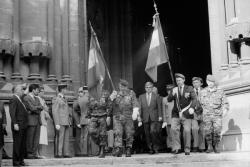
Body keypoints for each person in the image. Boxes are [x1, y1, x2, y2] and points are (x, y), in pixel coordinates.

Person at [168, 73, 197, 155]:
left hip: (186, 113)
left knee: (187, 130)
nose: (178, 82)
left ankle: (187, 149)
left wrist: (192, 107)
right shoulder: (174, 89)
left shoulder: (189, 88)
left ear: (184, 80)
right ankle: (177, 148)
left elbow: (195, 99)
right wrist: (172, 94)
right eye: (177, 81)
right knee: (173, 129)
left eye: (180, 80)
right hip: (176, 113)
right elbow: (169, 99)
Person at [199, 74, 229, 153]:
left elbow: (225, 103)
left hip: (217, 115)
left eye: (212, 81)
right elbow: (199, 104)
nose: (210, 83)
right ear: (206, 81)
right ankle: (209, 146)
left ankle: (216, 145)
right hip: (207, 115)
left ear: (214, 82)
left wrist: (225, 110)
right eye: (209, 81)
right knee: (208, 131)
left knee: (217, 130)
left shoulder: (220, 91)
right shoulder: (202, 92)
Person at [110, 79, 140, 157]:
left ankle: (128, 148)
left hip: (128, 117)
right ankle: (118, 149)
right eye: (120, 86)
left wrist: (135, 111)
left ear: (126, 86)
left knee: (129, 133)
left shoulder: (131, 93)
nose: (122, 88)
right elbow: (110, 106)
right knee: (118, 133)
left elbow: (135, 103)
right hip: (118, 117)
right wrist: (111, 99)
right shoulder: (116, 94)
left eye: (123, 86)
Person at [138, 82, 162, 154]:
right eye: (147, 87)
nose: (148, 89)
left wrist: (160, 116)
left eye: (150, 87)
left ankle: (155, 147)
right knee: (147, 134)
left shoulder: (156, 96)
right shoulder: (141, 96)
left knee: (153, 131)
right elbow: (139, 108)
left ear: (152, 88)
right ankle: (150, 148)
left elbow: (159, 107)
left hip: (154, 117)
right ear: (145, 88)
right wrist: (139, 116)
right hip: (145, 117)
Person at [87, 90, 112, 158]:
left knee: (102, 133)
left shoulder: (105, 93)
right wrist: (88, 117)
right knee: (91, 131)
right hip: (93, 116)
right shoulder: (92, 94)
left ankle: (102, 150)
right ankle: (100, 145)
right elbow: (89, 106)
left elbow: (109, 105)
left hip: (103, 115)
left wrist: (108, 116)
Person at [9, 84, 29, 166]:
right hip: (18, 125)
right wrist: (15, 123)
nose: (23, 91)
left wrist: (26, 86)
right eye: (21, 89)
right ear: (17, 91)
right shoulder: (14, 99)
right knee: (17, 144)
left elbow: (24, 94)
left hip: (23, 125)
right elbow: (12, 113)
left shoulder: (19, 99)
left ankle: (21, 161)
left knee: (22, 144)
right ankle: (16, 162)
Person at [23, 84, 43, 159]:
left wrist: (36, 108)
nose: (38, 91)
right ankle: (29, 153)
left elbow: (42, 107)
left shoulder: (37, 98)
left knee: (36, 138)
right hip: (30, 121)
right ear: (33, 90)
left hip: (38, 120)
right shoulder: (26, 98)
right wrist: (37, 108)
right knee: (30, 138)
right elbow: (31, 108)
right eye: (38, 90)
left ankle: (34, 153)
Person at [52, 84, 72, 158]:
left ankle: (66, 153)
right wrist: (56, 123)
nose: (66, 90)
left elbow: (66, 111)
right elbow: (55, 111)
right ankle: (59, 153)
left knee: (66, 138)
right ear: (62, 90)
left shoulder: (64, 98)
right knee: (60, 138)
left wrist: (69, 120)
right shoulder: (56, 98)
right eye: (65, 89)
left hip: (66, 121)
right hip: (60, 121)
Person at [73, 86, 89, 157]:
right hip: (82, 120)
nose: (80, 93)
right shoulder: (79, 100)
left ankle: (83, 152)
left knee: (83, 137)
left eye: (82, 92)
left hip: (82, 119)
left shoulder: (81, 100)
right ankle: (82, 152)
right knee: (82, 137)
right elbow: (74, 112)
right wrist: (77, 122)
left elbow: (76, 109)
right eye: (79, 92)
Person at [192, 77, 205, 152]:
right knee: (194, 129)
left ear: (201, 83)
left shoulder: (205, 91)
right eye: (194, 83)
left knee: (202, 130)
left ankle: (202, 147)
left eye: (197, 82)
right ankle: (195, 146)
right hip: (193, 113)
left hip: (203, 113)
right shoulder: (190, 91)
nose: (195, 84)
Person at [37, 86, 50, 158]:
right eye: (42, 91)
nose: (43, 93)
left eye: (43, 91)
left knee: (42, 139)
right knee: (39, 138)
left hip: (43, 121)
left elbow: (46, 109)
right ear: (38, 92)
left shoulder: (43, 100)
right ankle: (38, 154)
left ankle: (40, 153)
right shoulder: (37, 99)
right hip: (40, 121)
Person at [162, 84, 175, 152]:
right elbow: (164, 111)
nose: (169, 91)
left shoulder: (176, 98)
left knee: (175, 133)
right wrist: (164, 120)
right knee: (169, 134)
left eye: (171, 90)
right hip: (168, 119)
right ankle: (170, 146)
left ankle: (175, 147)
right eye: (168, 90)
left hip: (175, 118)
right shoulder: (164, 99)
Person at [0, 100, 7, 166]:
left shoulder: (1, 103)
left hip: (0, 126)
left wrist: (4, 123)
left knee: (1, 144)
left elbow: (4, 114)